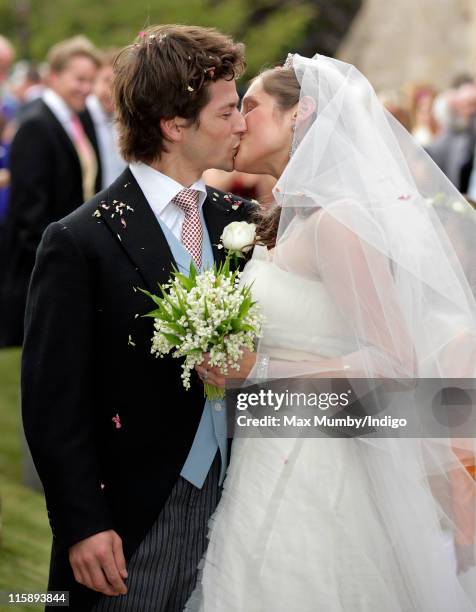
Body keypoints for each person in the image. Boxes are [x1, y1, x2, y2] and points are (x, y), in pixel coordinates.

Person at [190, 54, 476, 611]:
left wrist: (262, 372)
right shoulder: (283, 215)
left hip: (320, 462)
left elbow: (394, 362)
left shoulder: (339, 223)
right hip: (267, 448)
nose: (241, 121)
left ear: (303, 114)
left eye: (252, 106)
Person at [21, 25, 254, 612]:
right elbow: (53, 401)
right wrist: (82, 523)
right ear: (176, 125)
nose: (242, 125)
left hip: (243, 502)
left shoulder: (244, 225)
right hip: (133, 518)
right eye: (227, 112)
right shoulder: (79, 240)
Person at [0, 35, 102, 346]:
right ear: (54, 76)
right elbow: (30, 213)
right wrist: (57, 266)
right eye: (79, 79)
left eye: (91, 80)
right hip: (46, 264)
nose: (86, 88)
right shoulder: (36, 125)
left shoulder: (75, 118)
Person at [86, 49, 126, 189]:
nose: (111, 91)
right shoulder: (81, 118)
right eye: (107, 81)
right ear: (94, 80)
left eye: (118, 84)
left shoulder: (127, 120)